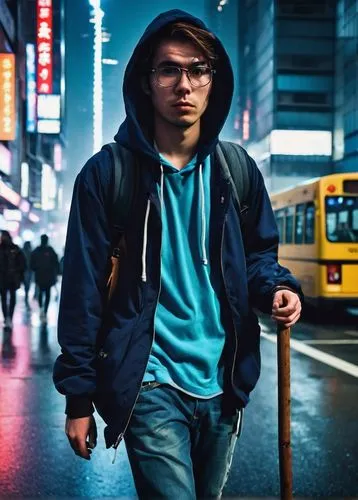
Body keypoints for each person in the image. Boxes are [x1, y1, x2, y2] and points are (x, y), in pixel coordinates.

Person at [53, 10, 303, 499]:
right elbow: (82, 289)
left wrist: (276, 287)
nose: (183, 84)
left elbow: (257, 255)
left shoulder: (236, 170)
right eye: (168, 69)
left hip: (222, 380)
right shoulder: (107, 176)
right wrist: (78, 397)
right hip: (150, 380)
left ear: (214, 80)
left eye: (197, 69)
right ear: (147, 82)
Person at [0, 230, 26, 329]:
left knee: (10, 299)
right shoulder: (13, 249)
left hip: (11, 278)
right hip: (4, 278)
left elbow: (22, 264)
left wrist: (19, 274)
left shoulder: (15, 249)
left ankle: (9, 318)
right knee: (5, 299)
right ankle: (7, 318)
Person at [30, 234, 59, 323]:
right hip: (45, 276)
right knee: (45, 294)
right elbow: (56, 263)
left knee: (44, 294)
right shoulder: (49, 250)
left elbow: (55, 263)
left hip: (44, 276)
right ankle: (43, 310)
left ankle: (43, 310)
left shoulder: (41, 250)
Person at [22, 241, 33, 307]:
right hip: (27, 270)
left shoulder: (23, 252)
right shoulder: (30, 252)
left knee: (27, 284)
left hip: (26, 270)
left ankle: (26, 295)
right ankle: (26, 295)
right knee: (27, 284)